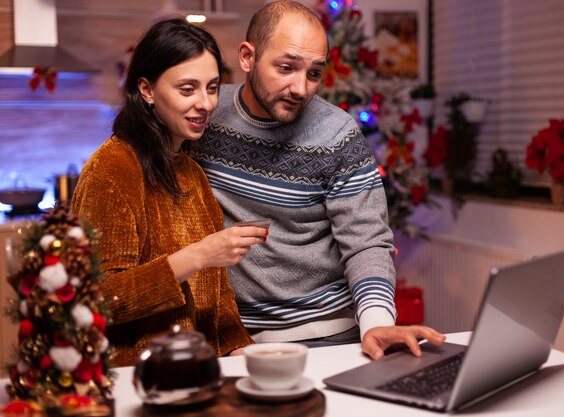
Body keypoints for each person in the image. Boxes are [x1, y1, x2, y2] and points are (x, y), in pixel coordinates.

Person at [189, 1, 444, 360]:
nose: (300, 88)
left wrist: (376, 321)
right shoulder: (205, 116)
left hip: (328, 335)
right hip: (229, 338)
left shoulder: (338, 135)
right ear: (247, 57)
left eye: (313, 73)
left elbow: (367, 241)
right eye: (286, 67)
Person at [71, 18, 267, 366]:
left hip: (200, 373)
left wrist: (247, 355)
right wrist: (199, 255)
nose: (206, 103)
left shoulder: (190, 171)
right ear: (146, 90)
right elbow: (97, 299)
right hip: (137, 378)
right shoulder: (111, 169)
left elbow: (219, 300)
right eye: (187, 89)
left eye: (211, 87)